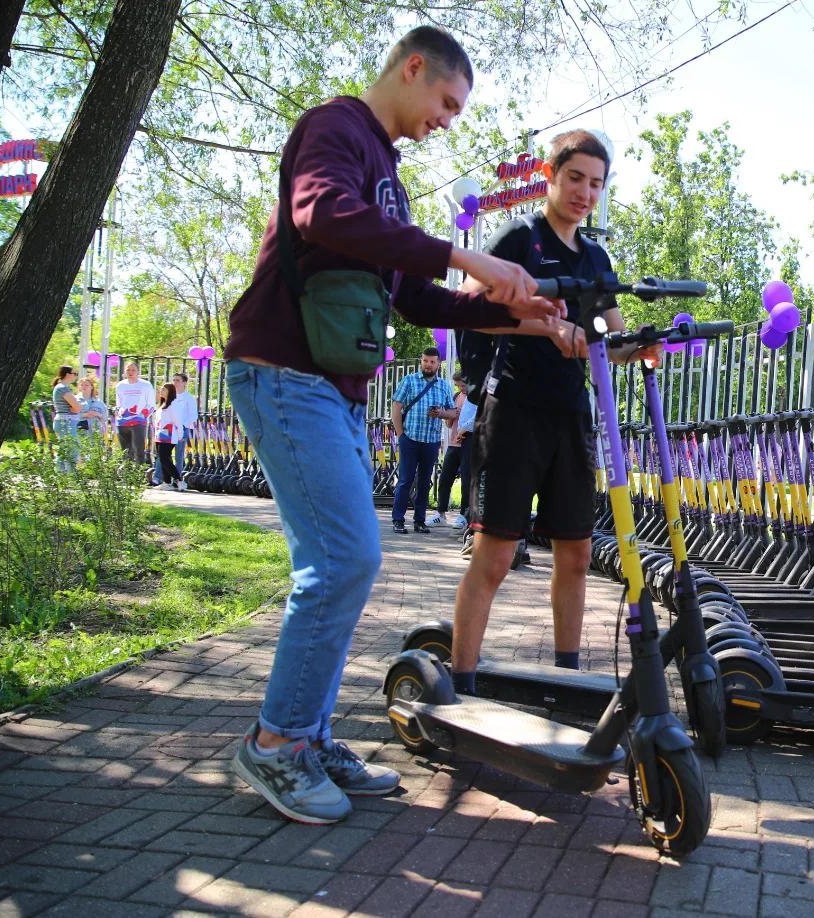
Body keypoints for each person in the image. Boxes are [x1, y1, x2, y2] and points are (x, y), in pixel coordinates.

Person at [221, 25, 558, 826]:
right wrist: (467, 255)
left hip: (330, 387)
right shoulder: (333, 129)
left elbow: (416, 298)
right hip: (281, 371)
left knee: (342, 566)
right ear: (412, 69)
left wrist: (521, 319)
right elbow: (322, 214)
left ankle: (306, 735)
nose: (448, 119)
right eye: (446, 101)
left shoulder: (393, 184)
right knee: (345, 558)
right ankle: (275, 745)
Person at [450, 129, 661, 692]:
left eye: (596, 183)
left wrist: (643, 342)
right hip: (515, 409)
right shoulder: (521, 236)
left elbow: (613, 342)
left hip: (572, 416)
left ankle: (567, 678)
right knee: (494, 555)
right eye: (575, 178)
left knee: (576, 554)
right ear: (550, 175)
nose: (585, 193)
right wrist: (547, 326)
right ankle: (461, 677)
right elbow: (469, 304)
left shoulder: (595, 256)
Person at [391, 347, 456, 534]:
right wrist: (400, 433)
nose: (428, 365)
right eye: (425, 361)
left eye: (432, 362)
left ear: (438, 364)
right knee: (405, 480)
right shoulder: (409, 380)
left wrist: (441, 413)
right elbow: (396, 405)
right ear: (421, 361)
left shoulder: (444, 385)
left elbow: (452, 412)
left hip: (431, 440)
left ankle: (419, 521)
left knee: (424, 482)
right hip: (409, 438)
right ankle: (398, 520)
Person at [433, 371, 469, 525]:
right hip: (453, 443)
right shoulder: (456, 397)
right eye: (458, 385)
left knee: (467, 480)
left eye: (463, 385)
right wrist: (452, 415)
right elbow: (449, 423)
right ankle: (441, 513)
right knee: (445, 478)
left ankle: (464, 514)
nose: (461, 388)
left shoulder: (474, 398)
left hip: (467, 443)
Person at [153, 372, 198, 484]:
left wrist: (183, 425)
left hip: (180, 429)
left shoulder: (189, 398)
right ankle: (159, 478)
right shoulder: (170, 397)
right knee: (163, 455)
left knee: (178, 455)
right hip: (166, 430)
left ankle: (176, 479)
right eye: (174, 380)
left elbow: (193, 415)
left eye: (178, 380)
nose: (175, 383)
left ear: (184, 383)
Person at [114, 361, 155, 464]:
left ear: (138, 371)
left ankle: (139, 471)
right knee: (125, 450)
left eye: (133, 370)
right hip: (123, 421)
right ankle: (127, 472)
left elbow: (151, 404)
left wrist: (144, 416)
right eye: (128, 370)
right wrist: (119, 414)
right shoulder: (120, 385)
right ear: (124, 371)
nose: (130, 372)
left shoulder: (145, 385)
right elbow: (119, 403)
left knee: (138, 448)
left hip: (139, 421)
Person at [152, 383, 186, 491]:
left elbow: (178, 422)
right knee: (163, 459)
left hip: (169, 436)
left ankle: (179, 480)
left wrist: (180, 435)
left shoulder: (173, 405)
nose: (161, 391)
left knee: (164, 458)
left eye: (164, 389)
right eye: (161, 389)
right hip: (160, 435)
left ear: (170, 391)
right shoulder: (162, 405)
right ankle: (166, 482)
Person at [50, 366, 82, 472]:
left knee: (64, 449)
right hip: (66, 422)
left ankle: (61, 473)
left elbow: (75, 407)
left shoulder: (61, 388)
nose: (75, 376)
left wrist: (74, 407)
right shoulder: (63, 388)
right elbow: (77, 407)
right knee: (72, 449)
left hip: (64, 421)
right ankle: (71, 475)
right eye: (74, 373)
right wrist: (75, 407)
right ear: (68, 375)